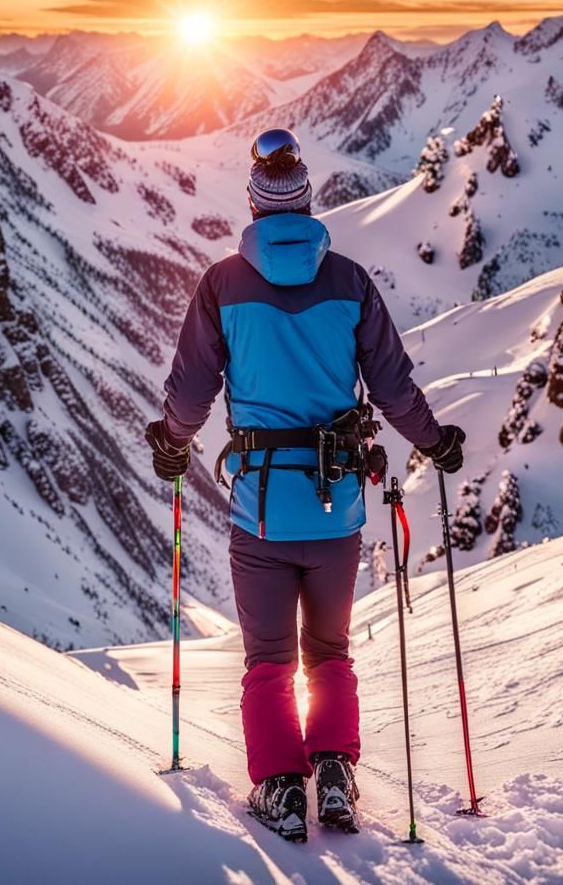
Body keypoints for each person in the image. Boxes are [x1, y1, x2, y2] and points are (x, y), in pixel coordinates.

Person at [146, 127, 465, 841]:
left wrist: (171, 442)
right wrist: (434, 442)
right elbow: (393, 387)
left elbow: (192, 392)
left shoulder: (222, 285)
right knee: (329, 653)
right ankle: (335, 775)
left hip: (261, 512)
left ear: (254, 203)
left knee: (269, 659)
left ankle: (281, 788)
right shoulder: (349, 283)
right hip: (337, 508)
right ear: (307, 199)